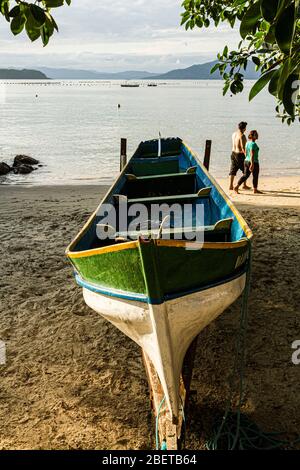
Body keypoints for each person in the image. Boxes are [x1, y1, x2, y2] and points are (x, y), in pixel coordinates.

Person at [234, 130, 262, 194]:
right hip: (253, 162)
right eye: (256, 134)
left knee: (245, 175)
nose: (257, 135)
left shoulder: (247, 143)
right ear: (252, 136)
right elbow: (252, 154)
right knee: (255, 176)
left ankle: (237, 187)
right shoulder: (253, 144)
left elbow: (246, 152)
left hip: (246, 161)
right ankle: (255, 189)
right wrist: (252, 164)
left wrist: (247, 159)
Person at [229, 121, 251, 191]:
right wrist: (248, 157)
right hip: (240, 155)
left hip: (233, 153)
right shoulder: (242, 136)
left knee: (233, 170)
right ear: (244, 128)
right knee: (246, 170)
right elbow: (243, 148)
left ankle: (230, 185)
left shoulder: (234, 134)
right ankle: (244, 185)